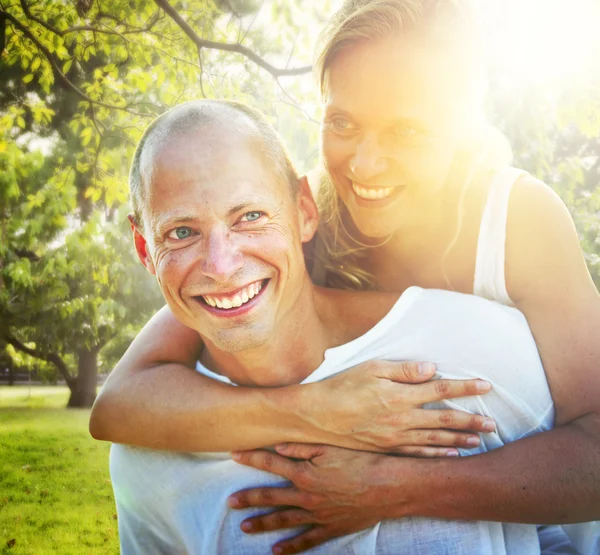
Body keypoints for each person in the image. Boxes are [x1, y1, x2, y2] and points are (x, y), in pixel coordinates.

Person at [91, 0, 600, 553]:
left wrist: (396, 488)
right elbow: (123, 402)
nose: (364, 164)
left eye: (406, 130)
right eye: (342, 122)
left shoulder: (517, 220)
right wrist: (318, 412)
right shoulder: (300, 217)